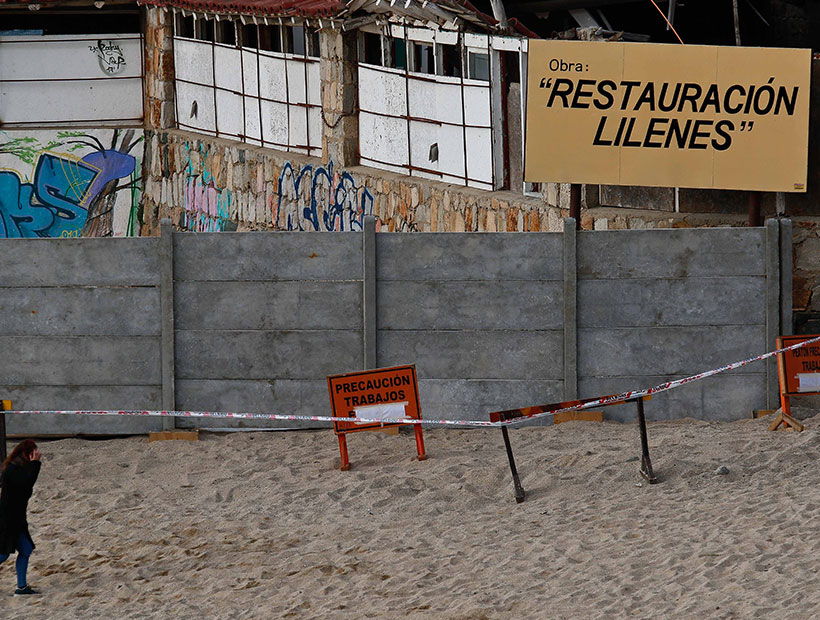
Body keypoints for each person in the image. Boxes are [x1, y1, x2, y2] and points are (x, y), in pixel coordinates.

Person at [0, 440, 42, 596]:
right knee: (3, 554)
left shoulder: (18, 468)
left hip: (17, 519)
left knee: (26, 549)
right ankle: (22, 587)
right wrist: (36, 464)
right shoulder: (12, 470)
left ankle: (21, 587)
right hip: (8, 520)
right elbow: (26, 483)